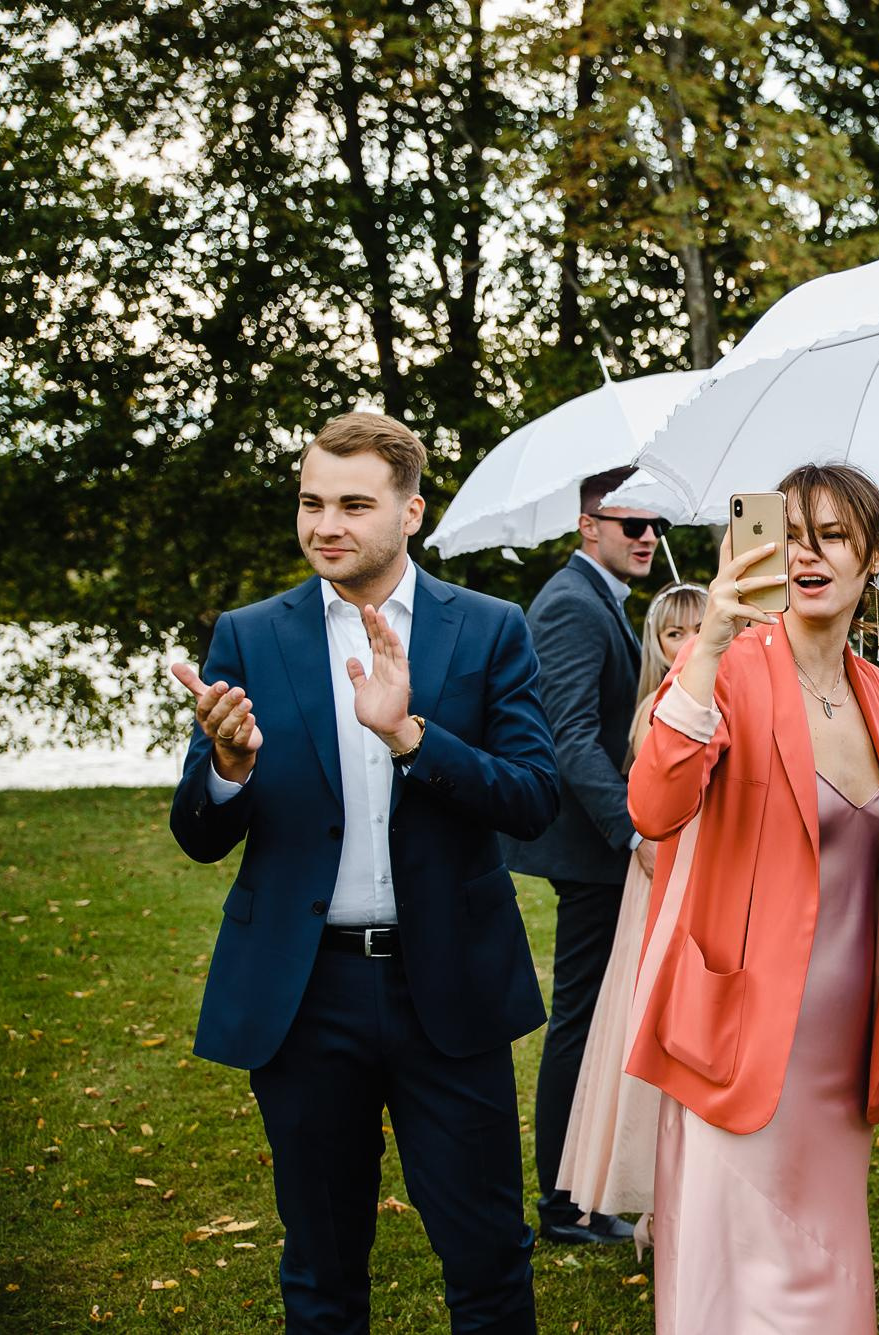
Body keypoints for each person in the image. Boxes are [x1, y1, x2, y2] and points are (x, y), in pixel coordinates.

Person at [167, 411, 558, 1333]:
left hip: (449, 990)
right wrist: (227, 770)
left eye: (351, 503)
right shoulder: (252, 636)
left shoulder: (491, 630)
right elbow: (197, 834)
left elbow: (535, 797)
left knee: (489, 1260)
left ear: (411, 511)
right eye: (310, 503)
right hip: (305, 998)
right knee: (321, 1268)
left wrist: (411, 736)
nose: (324, 525)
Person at [624, 463, 879, 1333]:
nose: (807, 553)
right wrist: (710, 637)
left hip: (843, 1054)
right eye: (791, 533)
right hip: (738, 1043)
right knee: (741, 1291)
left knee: (829, 1279)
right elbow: (655, 805)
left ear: (877, 559)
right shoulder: (727, 666)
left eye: (832, 535)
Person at [500, 466, 664, 1246]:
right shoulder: (569, 604)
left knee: (597, 1016)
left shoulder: (602, 600)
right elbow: (567, 738)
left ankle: (584, 1188)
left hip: (603, 844)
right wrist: (633, 831)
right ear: (585, 525)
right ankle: (565, 1202)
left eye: (653, 524)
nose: (645, 536)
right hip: (592, 847)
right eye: (629, 523)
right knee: (580, 1019)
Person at [554, 582, 708, 1255]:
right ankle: (652, 1198)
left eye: (701, 628)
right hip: (667, 886)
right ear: (658, 643)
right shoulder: (659, 710)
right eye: (675, 634)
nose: (690, 644)